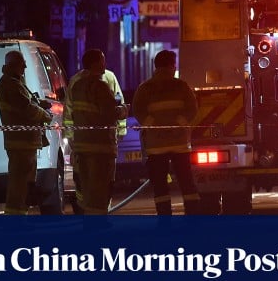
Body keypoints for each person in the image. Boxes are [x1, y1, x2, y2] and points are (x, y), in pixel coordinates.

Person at [132, 50, 202, 216]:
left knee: (160, 185)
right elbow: (192, 108)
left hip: (156, 145)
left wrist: (151, 124)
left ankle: (164, 219)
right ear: (172, 66)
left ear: (155, 66)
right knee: (186, 182)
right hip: (180, 143)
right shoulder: (181, 86)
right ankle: (193, 216)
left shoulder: (145, 88)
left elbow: (137, 110)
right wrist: (181, 122)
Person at [68, 49, 125, 215]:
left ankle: (88, 220)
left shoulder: (76, 85)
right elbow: (109, 114)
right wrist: (123, 111)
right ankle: (99, 222)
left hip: (82, 146)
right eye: (102, 61)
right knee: (101, 187)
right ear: (95, 63)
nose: (104, 64)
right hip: (100, 147)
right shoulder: (101, 86)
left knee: (87, 187)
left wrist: (72, 139)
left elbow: (71, 112)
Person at [0, 50, 53, 215]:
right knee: (20, 185)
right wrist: (45, 115)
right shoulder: (10, 84)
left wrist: (40, 103)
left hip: (24, 142)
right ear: (13, 65)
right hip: (21, 142)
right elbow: (26, 108)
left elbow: (26, 102)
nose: (25, 67)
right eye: (23, 64)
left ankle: (20, 216)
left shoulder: (14, 82)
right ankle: (16, 219)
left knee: (25, 185)